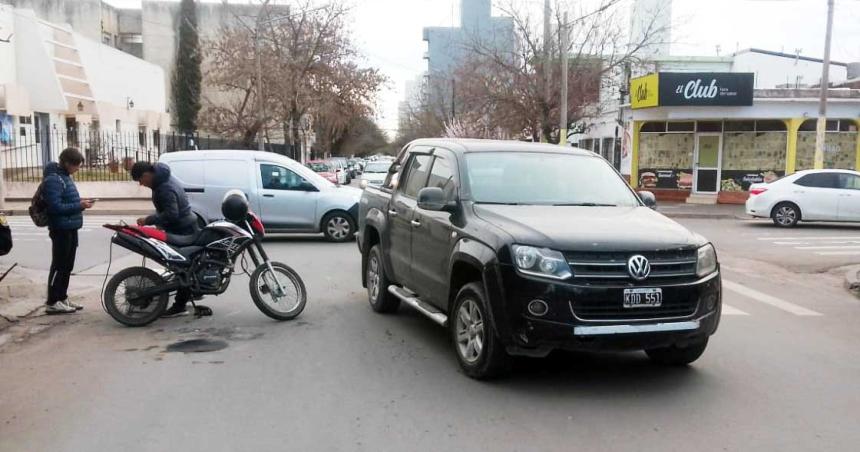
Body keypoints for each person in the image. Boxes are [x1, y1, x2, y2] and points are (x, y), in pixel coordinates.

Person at [130, 161, 197, 317]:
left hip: (182, 229)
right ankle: (189, 293)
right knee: (184, 266)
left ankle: (180, 306)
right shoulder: (162, 179)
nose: (141, 184)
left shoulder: (164, 188)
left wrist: (149, 220)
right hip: (184, 225)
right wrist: (159, 222)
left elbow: (172, 214)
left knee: (182, 268)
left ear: (147, 175)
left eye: (140, 180)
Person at [44, 148, 94, 314]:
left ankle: (62, 297)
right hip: (60, 228)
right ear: (66, 163)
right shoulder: (53, 179)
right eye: (76, 165)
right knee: (59, 265)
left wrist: (80, 202)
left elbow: (66, 199)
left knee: (67, 265)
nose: (78, 169)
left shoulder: (64, 177)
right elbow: (55, 206)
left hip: (71, 227)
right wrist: (79, 205)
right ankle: (52, 301)